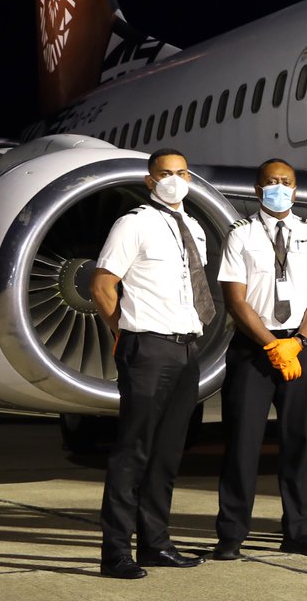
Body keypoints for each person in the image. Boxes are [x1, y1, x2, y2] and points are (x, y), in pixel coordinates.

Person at [92, 148, 215, 579]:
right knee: (134, 450)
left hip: (186, 349)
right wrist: (122, 331)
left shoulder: (195, 228)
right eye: (166, 173)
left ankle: (155, 544)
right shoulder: (135, 223)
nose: (175, 179)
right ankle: (115, 552)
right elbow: (103, 284)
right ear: (150, 180)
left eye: (182, 172)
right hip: (148, 347)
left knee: (167, 453)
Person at [211, 159, 307, 560]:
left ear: (296, 190)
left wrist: (297, 341)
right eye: (271, 183)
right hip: (254, 349)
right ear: (257, 189)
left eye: (286, 183)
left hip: (300, 348)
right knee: (242, 444)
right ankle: (231, 533)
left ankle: (298, 532)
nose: (279, 188)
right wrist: (271, 345)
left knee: (298, 443)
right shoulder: (240, 235)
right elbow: (236, 300)